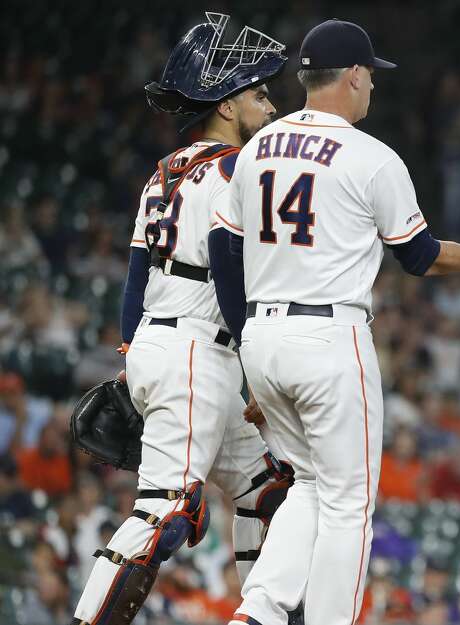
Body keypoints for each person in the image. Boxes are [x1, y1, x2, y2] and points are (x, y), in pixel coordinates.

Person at [211, 18, 460, 625]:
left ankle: (257, 613)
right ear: (355, 76)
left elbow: (224, 253)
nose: (373, 88)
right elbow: (420, 257)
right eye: (371, 77)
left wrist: (245, 349)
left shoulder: (256, 147)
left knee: (312, 484)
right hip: (328, 337)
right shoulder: (370, 156)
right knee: (348, 504)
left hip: (261, 337)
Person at [71, 14, 296, 625]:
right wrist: (257, 369)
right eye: (258, 93)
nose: (270, 106)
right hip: (200, 353)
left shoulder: (161, 175)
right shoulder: (233, 169)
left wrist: (131, 360)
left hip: (167, 347)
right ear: (226, 103)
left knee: (269, 491)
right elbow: (228, 272)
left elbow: (135, 277)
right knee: (165, 511)